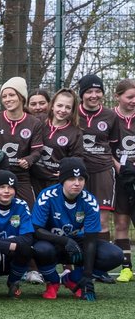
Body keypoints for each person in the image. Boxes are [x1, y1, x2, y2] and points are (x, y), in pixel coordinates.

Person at [31, 157, 124, 301]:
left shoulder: (90, 201)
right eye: (71, 179)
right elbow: (36, 230)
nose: (77, 183)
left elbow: (91, 240)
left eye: (81, 179)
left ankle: (73, 278)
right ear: (62, 180)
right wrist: (64, 240)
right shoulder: (47, 196)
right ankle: (53, 282)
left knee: (114, 255)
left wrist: (86, 276)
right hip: (52, 243)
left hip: (77, 245)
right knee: (40, 249)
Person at [0, 77, 44, 206]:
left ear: (22, 97)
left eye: (11, 95)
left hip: (21, 176)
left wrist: (29, 159)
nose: (7, 99)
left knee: (28, 213)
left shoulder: (34, 123)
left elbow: (37, 150)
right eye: (4, 96)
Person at [75, 74, 119, 242]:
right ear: (81, 94)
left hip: (103, 170)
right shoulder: (72, 112)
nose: (94, 95)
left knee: (101, 220)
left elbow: (114, 145)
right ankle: (78, 265)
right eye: (89, 91)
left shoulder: (110, 115)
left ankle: (101, 265)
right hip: (78, 172)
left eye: (98, 91)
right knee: (78, 218)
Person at [0, 170, 34, 297]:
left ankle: (13, 282)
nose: (7, 191)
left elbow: (27, 238)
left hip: (12, 251)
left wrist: (1, 243)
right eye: (2, 187)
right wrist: (9, 244)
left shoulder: (21, 205)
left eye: (10, 187)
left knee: (27, 249)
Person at [32, 88, 83, 197]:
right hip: (34, 178)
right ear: (52, 105)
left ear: (72, 110)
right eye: (59, 105)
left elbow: (77, 157)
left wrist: (67, 171)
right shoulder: (39, 121)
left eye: (68, 107)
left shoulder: (75, 132)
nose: (63, 110)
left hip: (55, 181)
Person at [111, 79, 135, 280]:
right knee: (121, 221)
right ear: (117, 96)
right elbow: (103, 146)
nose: (133, 101)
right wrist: (116, 164)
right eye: (130, 97)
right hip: (118, 175)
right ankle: (126, 268)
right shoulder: (110, 117)